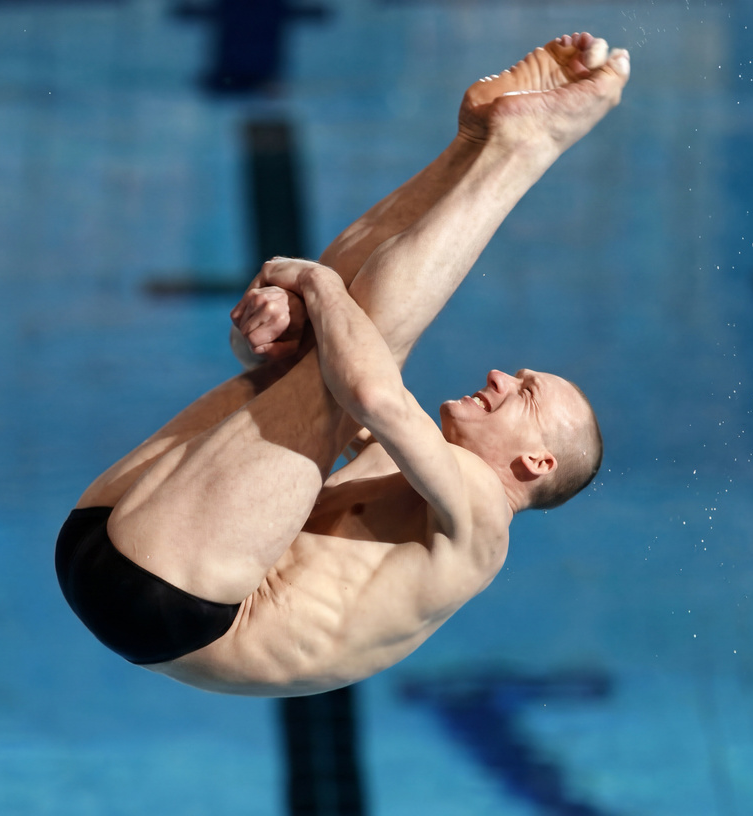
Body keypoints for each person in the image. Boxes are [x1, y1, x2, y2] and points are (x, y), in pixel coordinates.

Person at [56, 32, 630, 696]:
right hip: (134, 553)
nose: (501, 375)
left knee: (363, 341)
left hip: (169, 597)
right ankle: (475, 145)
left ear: (535, 464)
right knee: (328, 344)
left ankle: (522, 150)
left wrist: (312, 285)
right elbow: (302, 388)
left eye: (524, 392)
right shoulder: (411, 465)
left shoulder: (482, 516)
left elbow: (375, 393)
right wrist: (270, 328)